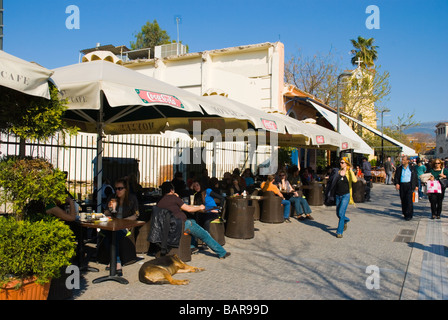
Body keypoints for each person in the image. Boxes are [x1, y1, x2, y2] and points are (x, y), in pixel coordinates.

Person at [157, 181, 230, 259]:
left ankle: (192, 246)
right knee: (205, 235)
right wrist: (200, 207)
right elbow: (188, 209)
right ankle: (222, 253)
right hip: (182, 225)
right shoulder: (174, 198)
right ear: (171, 190)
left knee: (193, 222)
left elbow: (174, 208)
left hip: (169, 227)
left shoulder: (160, 201)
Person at [103, 178, 140, 275]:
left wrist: (125, 222)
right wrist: (110, 209)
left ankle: (114, 262)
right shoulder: (112, 197)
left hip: (125, 226)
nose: (117, 191)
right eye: (116, 188)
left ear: (126, 189)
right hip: (112, 225)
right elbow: (105, 212)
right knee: (105, 234)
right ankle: (116, 261)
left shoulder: (132, 199)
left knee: (115, 235)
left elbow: (136, 215)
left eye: (120, 188)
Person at [326, 157, 357, 238]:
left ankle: (339, 232)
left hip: (345, 195)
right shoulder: (338, 172)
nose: (341, 164)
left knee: (341, 213)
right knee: (338, 213)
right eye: (340, 162)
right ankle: (345, 220)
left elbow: (355, 180)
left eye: (342, 162)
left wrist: (350, 170)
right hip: (337, 195)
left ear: (346, 163)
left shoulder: (349, 172)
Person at [393, 155, 418, 221]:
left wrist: (416, 185)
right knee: (403, 199)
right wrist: (397, 183)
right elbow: (396, 177)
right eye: (402, 160)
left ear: (407, 161)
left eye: (404, 160)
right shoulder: (399, 168)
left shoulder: (412, 168)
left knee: (409, 200)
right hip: (402, 185)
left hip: (409, 185)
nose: (402, 161)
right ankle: (404, 213)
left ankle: (409, 214)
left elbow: (415, 177)